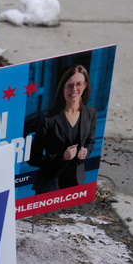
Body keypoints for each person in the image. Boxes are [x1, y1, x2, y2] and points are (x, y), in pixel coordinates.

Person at [28, 65, 98, 195]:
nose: (74, 89)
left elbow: (90, 142)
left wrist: (86, 151)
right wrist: (61, 157)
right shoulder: (48, 119)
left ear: (85, 85)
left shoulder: (91, 113)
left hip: (76, 184)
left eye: (79, 84)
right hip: (50, 187)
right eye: (70, 85)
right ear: (63, 89)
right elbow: (32, 158)